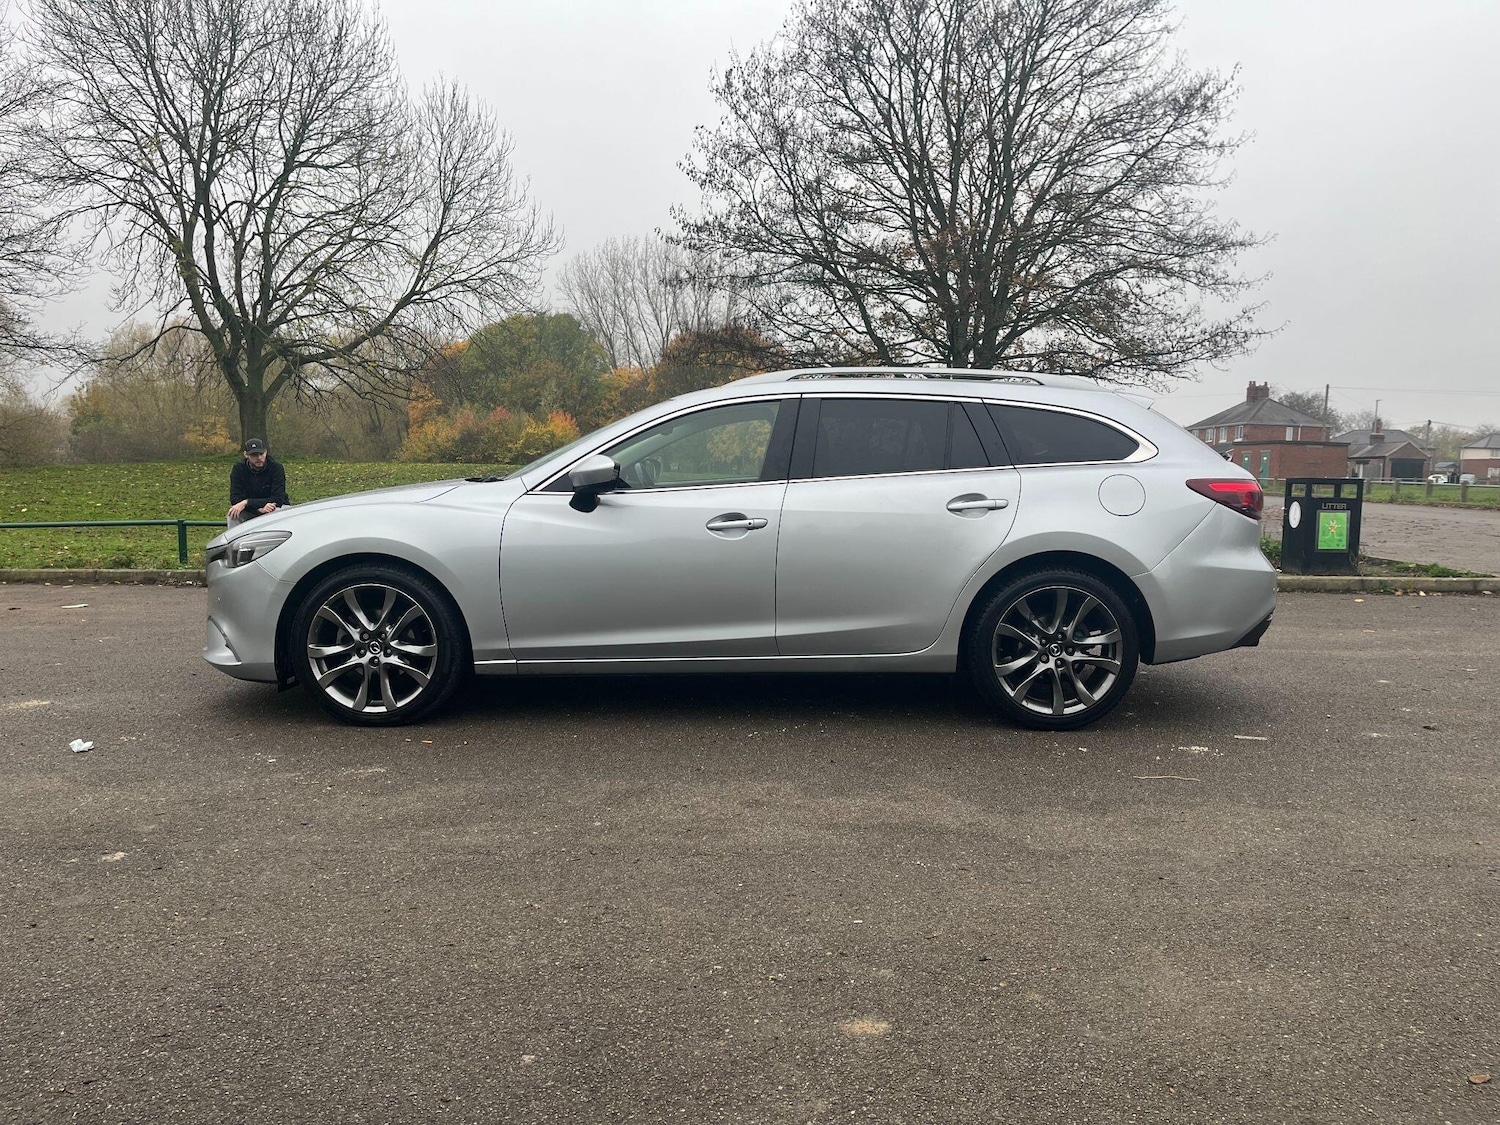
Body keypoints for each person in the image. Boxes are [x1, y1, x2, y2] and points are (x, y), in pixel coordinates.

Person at [227, 437, 290, 526]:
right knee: (233, 514)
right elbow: (235, 498)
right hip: (251, 509)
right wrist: (257, 509)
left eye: (261, 454)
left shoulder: (276, 468)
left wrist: (247, 502)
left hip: (274, 507)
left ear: (266, 452)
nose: (259, 458)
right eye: (254, 455)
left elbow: (278, 498)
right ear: (246, 454)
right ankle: (236, 539)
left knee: (280, 511)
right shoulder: (238, 469)